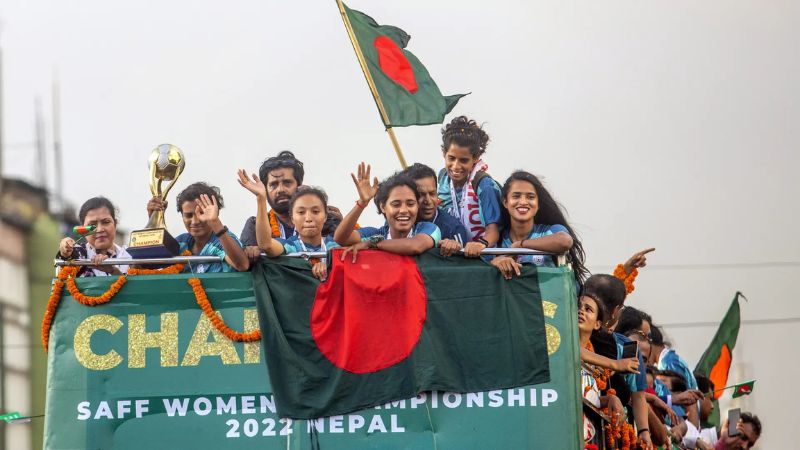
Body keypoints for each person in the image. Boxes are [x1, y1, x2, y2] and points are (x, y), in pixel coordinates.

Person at [239, 151, 343, 260]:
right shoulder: (254, 225)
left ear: (299, 186)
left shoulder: (328, 220)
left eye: (287, 183)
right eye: (273, 185)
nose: (280, 190)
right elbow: (244, 264)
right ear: (265, 190)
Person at [489, 171, 588, 285]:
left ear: (538, 204)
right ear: (505, 202)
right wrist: (496, 262)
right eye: (516, 196)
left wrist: (521, 245)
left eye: (530, 197)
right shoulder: (497, 239)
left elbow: (565, 241)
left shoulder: (551, 232)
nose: (523, 202)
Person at [238, 169, 337, 281]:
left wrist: (329, 267)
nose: (308, 218)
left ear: (325, 216)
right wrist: (261, 198)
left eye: (315, 211)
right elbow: (266, 245)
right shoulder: (291, 246)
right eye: (301, 212)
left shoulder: (336, 246)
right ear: (292, 218)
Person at [334, 164, 440, 260]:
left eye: (410, 204)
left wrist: (373, 244)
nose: (403, 210)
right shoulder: (375, 234)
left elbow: (415, 246)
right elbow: (341, 238)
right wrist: (362, 203)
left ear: (417, 205)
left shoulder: (429, 229)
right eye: (396, 204)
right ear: (383, 207)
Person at [436, 116, 502, 257]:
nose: (456, 166)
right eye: (451, 158)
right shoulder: (440, 181)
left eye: (464, 160)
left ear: (476, 158)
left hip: (482, 257)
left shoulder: (484, 185)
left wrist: (481, 244)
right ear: (444, 154)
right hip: (451, 255)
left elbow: (493, 231)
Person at [149, 182, 249, 273]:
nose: (195, 221)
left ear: (215, 213)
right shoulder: (181, 242)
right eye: (188, 215)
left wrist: (215, 223)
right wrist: (153, 220)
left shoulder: (223, 239)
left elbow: (242, 265)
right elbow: (141, 266)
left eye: (202, 213)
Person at [401, 163, 467, 256]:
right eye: (421, 195)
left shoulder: (453, 229)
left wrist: (455, 247)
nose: (428, 201)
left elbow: (463, 265)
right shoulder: (397, 221)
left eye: (432, 193)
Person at [57, 197, 131, 277]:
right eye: (92, 225)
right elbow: (66, 257)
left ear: (115, 224)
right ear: (83, 229)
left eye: (106, 222)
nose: (99, 229)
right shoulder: (78, 254)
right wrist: (65, 249)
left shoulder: (130, 255)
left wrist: (113, 271)